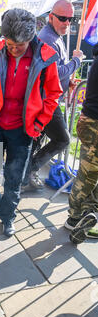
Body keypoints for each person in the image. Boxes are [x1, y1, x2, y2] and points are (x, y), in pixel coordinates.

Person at [0, 8, 62, 237]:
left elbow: (53, 93)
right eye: (9, 44)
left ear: (30, 39)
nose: (12, 49)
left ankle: (8, 215)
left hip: (23, 129)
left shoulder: (44, 56)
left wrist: (40, 123)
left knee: (14, 177)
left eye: (18, 46)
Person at [23, 0, 84, 190]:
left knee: (37, 137)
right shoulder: (48, 38)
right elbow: (55, 72)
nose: (67, 23)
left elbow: (56, 74)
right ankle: (28, 171)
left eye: (70, 19)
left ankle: (24, 175)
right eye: (63, 18)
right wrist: (76, 61)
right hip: (45, 100)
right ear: (51, 17)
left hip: (47, 98)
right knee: (63, 139)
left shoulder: (55, 35)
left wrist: (68, 82)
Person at [64, 49, 98, 244]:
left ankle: (83, 213)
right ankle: (79, 216)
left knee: (88, 173)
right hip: (95, 123)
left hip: (88, 119)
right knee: (88, 175)